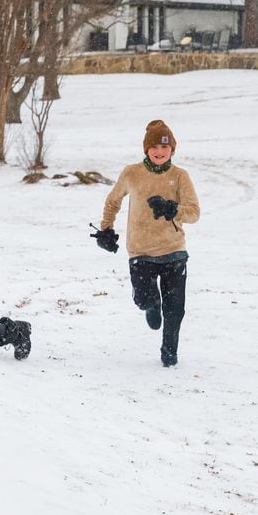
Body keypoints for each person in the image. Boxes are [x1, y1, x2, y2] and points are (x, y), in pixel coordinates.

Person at [91, 118, 200, 367]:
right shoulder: (132, 173)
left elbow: (194, 212)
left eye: (165, 147)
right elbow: (112, 201)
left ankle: (169, 351)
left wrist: (173, 209)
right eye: (154, 148)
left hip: (173, 250)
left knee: (176, 309)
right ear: (146, 149)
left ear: (172, 149)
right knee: (143, 299)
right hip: (140, 251)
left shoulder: (180, 177)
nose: (160, 152)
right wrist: (106, 229)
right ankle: (151, 305)